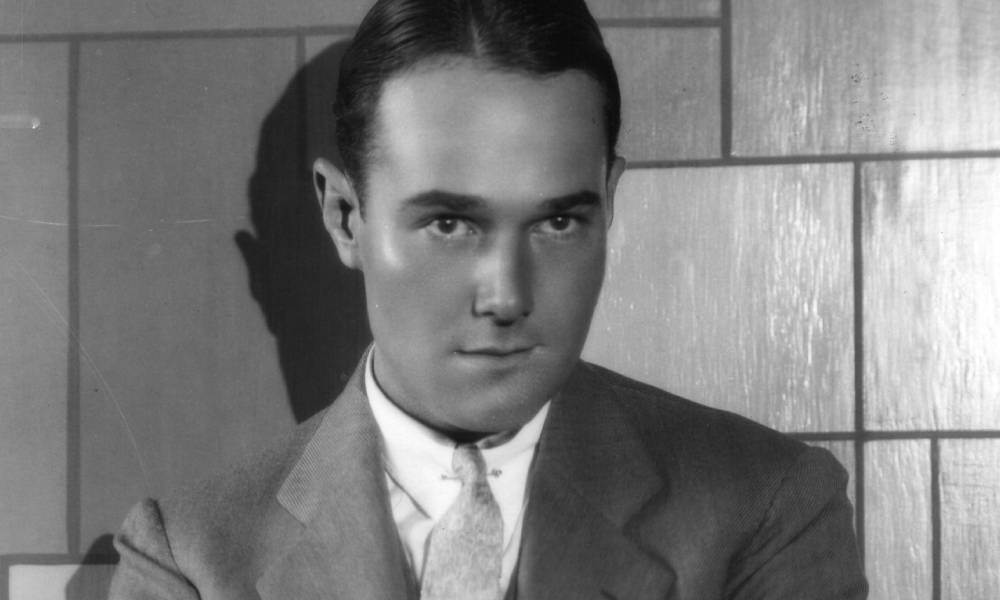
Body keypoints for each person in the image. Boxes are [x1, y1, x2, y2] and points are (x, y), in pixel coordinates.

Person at [108, 0, 868, 598]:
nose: (507, 295)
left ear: (610, 201)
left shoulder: (766, 508)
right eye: (449, 223)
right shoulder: (191, 558)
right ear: (346, 217)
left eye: (559, 221)